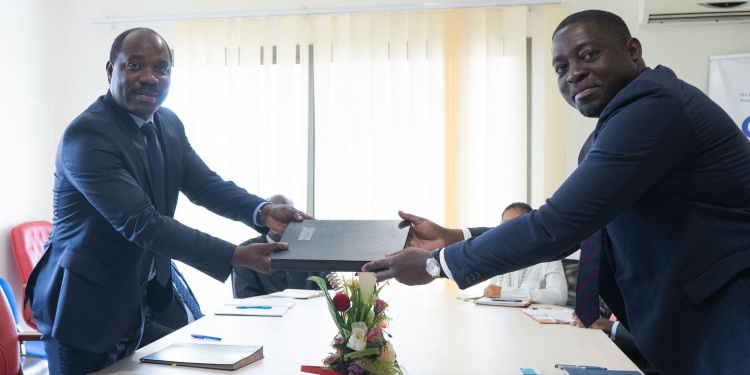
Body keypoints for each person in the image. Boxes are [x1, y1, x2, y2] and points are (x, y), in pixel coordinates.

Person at [363, 10, 750, 375]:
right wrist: (455, 237)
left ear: (633, 50)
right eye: (561, 68)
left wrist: (436, 265)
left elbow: (558, 226)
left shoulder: (654, 108)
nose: (575, 74)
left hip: (730, 316)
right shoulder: (619, 122)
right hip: (700, 319)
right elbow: (579, 225)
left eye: (589, 55)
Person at [24, 28, 312, 375]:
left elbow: (205, 185)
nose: (150, 77)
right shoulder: (87, 137)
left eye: (161, 68)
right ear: (110, 70)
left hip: (141, 301)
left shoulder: (167, 123)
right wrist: (235, 256)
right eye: (134, 65)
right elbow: (143, 223)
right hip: (84, 310)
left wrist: (262, 212)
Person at [233, 194, 330, 298]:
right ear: (264, 219)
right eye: (275, 213)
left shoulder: (312, 250)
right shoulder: (246, 252)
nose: (280, 220)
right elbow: (243, 300)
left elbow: (328, 293)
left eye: (286, 215)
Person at [482, 203, 567, 306]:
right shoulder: (498, 256)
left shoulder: (549, 255)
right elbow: (494, 293)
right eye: (504, 225)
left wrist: (505, 293)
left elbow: (559, 297)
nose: (508, 230)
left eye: (515, 224)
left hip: (534, 319)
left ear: (531, 227)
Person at [139, 262, 202, 348]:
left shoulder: (170, 263)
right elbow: (142, 325)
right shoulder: (143, 267)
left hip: (197, 338)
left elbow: (187, 301)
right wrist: (181, 337)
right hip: (171, 348)